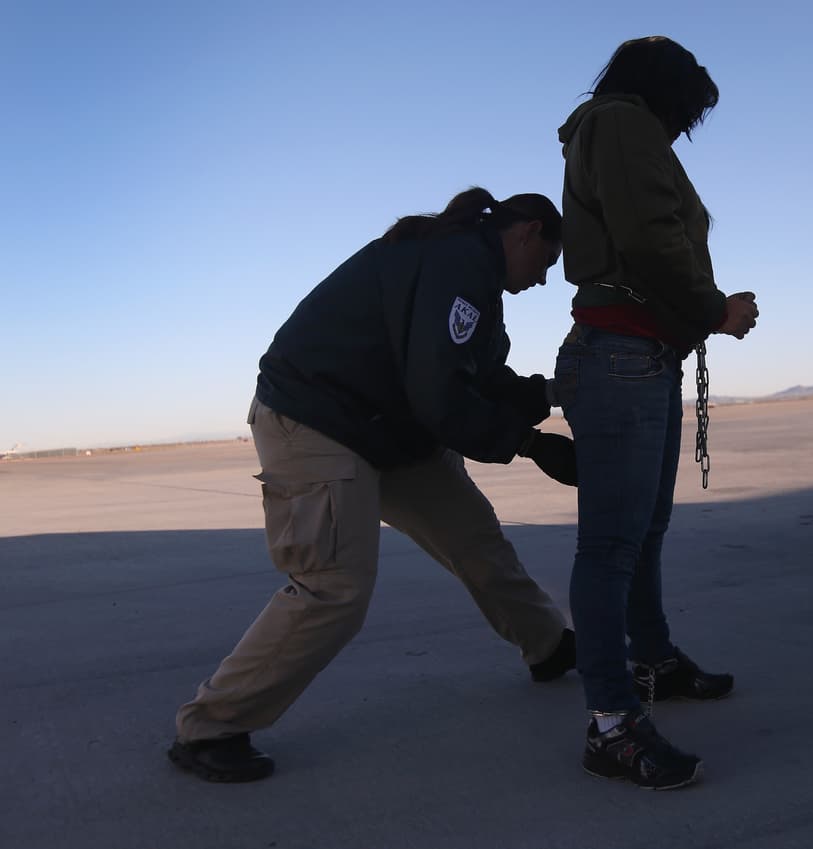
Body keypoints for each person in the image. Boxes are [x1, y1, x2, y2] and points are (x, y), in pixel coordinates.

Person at [168, 188, 580, 783]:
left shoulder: (471, 281)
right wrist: (530, 444)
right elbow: (440, 393)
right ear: (527, 233)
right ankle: (211, 726)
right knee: (333, 586)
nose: (543, 281)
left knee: (474, 540)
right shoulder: (458, 263)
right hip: (318, 422)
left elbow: (476, 376)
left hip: (389, 431)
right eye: (546, 262)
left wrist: (548, 394)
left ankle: (548, 645)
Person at [554, 36, 760, 790]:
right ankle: (610, 721)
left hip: (639, 355)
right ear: (664, 94)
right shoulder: (623, 122)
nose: (681, 132)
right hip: (620, 355)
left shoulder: (613, 128)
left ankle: (653, 660)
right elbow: (647, 236)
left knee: (642, 532)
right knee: (612, 544)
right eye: (684, 115)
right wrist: (715, 309)